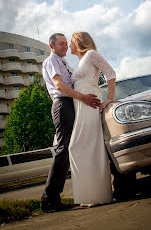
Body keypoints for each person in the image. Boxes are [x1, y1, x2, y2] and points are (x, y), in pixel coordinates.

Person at [41, 33, 101, 212]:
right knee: (63, 149)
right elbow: (59, 85)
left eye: (67, 43)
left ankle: (55, 199)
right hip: (63, 105)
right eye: (61, 44)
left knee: (70, 149)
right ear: (51, 46)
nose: (65, 47)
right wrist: (83, 97)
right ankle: (48, 199)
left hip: (71, 104)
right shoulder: (51, 60)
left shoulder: (64, 62)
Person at [69, 32, 116, 206]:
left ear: (78, 42)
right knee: (82, 146)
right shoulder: (80, 61)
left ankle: (97, 195)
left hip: (90, 103)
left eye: (70, 42)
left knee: (81, 145)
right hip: (80, 106)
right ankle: (90, 196)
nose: (68, 46)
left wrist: (109, 98)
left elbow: (110, 73)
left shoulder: (91, 55)